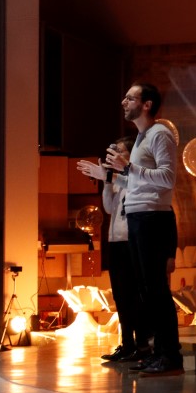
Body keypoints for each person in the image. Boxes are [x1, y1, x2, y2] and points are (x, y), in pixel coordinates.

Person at [103, 84, 182, 377]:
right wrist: (110, 176)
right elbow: (137, 180)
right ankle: (158, 352)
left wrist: (128, 168)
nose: (124, 102)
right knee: (147, 291)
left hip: (152, 217)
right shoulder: (141, 137)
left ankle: (171, 355)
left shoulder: (160, 134)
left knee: (156, 290)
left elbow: (167, 178)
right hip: (137, 216)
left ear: (146, 104)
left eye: (130, 98)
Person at [77, 137, 150, 363]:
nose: (114, 154)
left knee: (134, 295)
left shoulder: (137, 176)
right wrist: (106, 181)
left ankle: (142, 344)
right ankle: (127, 344)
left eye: (119, 150)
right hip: (115, 240)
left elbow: (135, 187)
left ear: (130, 154)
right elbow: (109, 208)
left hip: (132, 241)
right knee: (120, 295)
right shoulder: (117, 180)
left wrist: (109, 176)